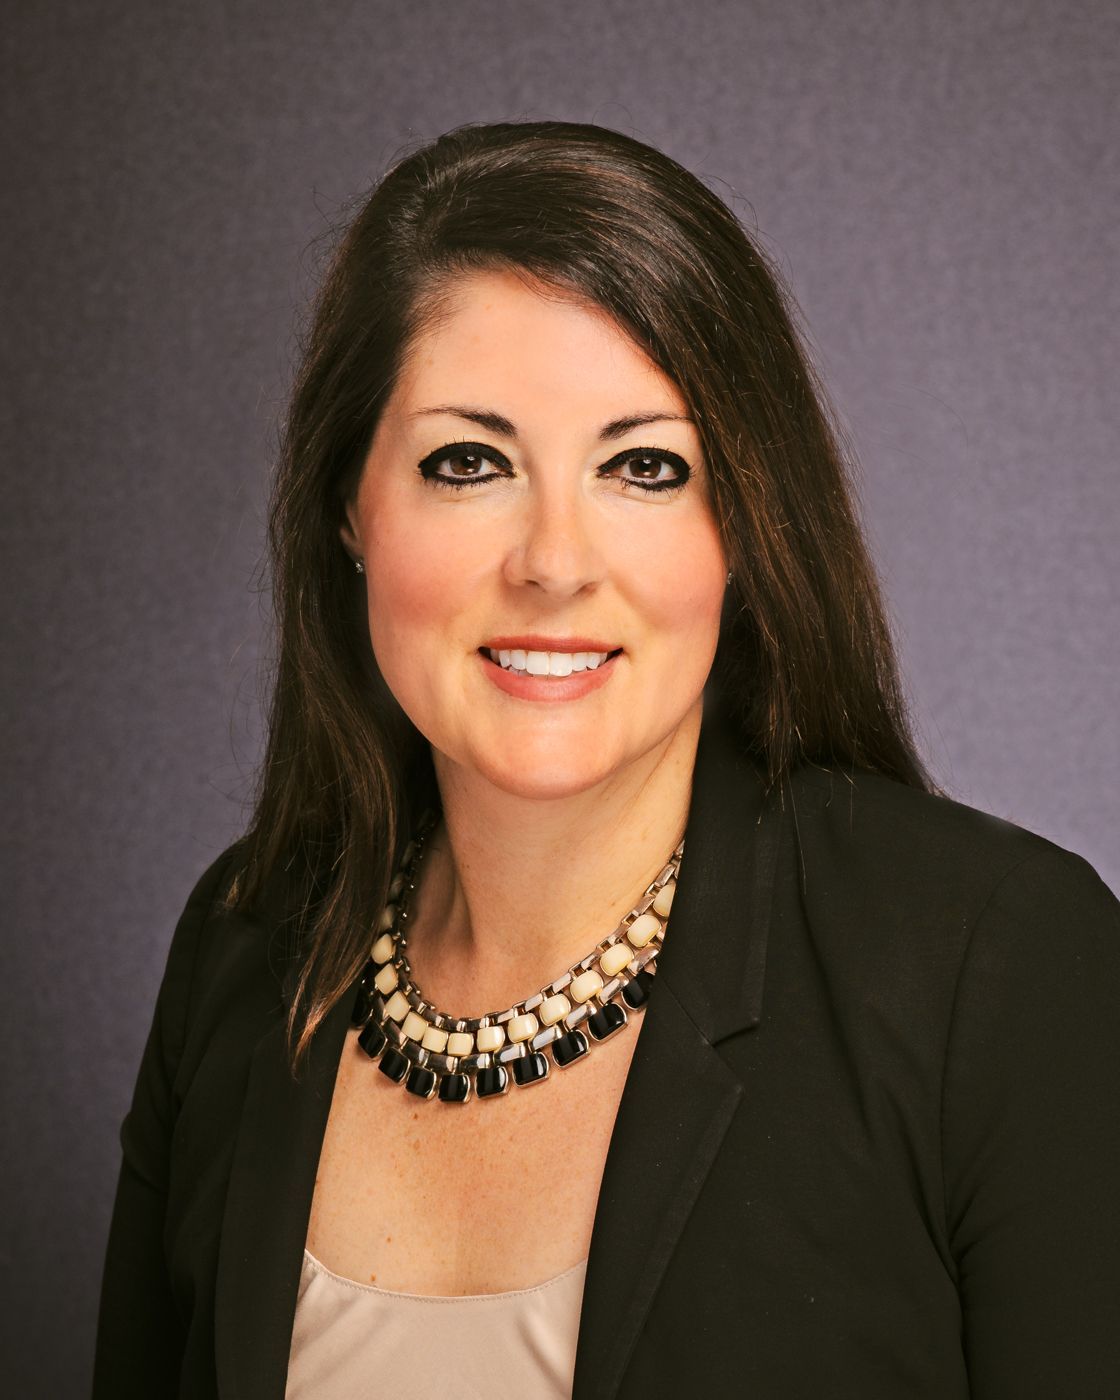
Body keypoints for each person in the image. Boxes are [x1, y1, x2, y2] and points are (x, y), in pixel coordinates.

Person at [92, 121, 1120, 1400]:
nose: (555, 560)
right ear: (349, 509)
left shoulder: (999, 962)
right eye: (468, 462)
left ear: (743, 524)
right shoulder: (243, 946)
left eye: (644, 466)